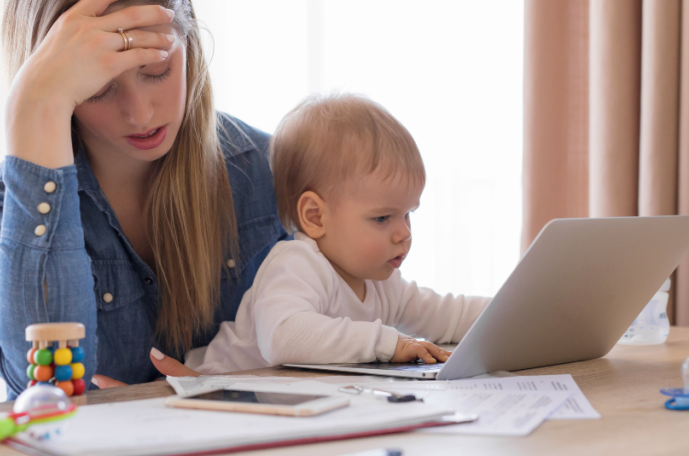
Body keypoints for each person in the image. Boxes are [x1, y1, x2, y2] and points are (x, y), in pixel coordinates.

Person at [0, 0, 287, 397]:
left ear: (189, 41)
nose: (140, 113)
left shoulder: (264, 169)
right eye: (98, 89)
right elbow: (45, 388)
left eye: (156, 69)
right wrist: (30, 112)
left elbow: (352, 339)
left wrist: (220, 393)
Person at [184, 94, 491, 374]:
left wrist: (521, 314)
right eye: (382, 217)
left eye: (408, 213)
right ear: (315, 216)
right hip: (214, 398)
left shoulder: (381, 282)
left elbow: (446, 314)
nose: (404, 234)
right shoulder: (296, 265)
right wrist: (387, 343)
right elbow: (282, 337)